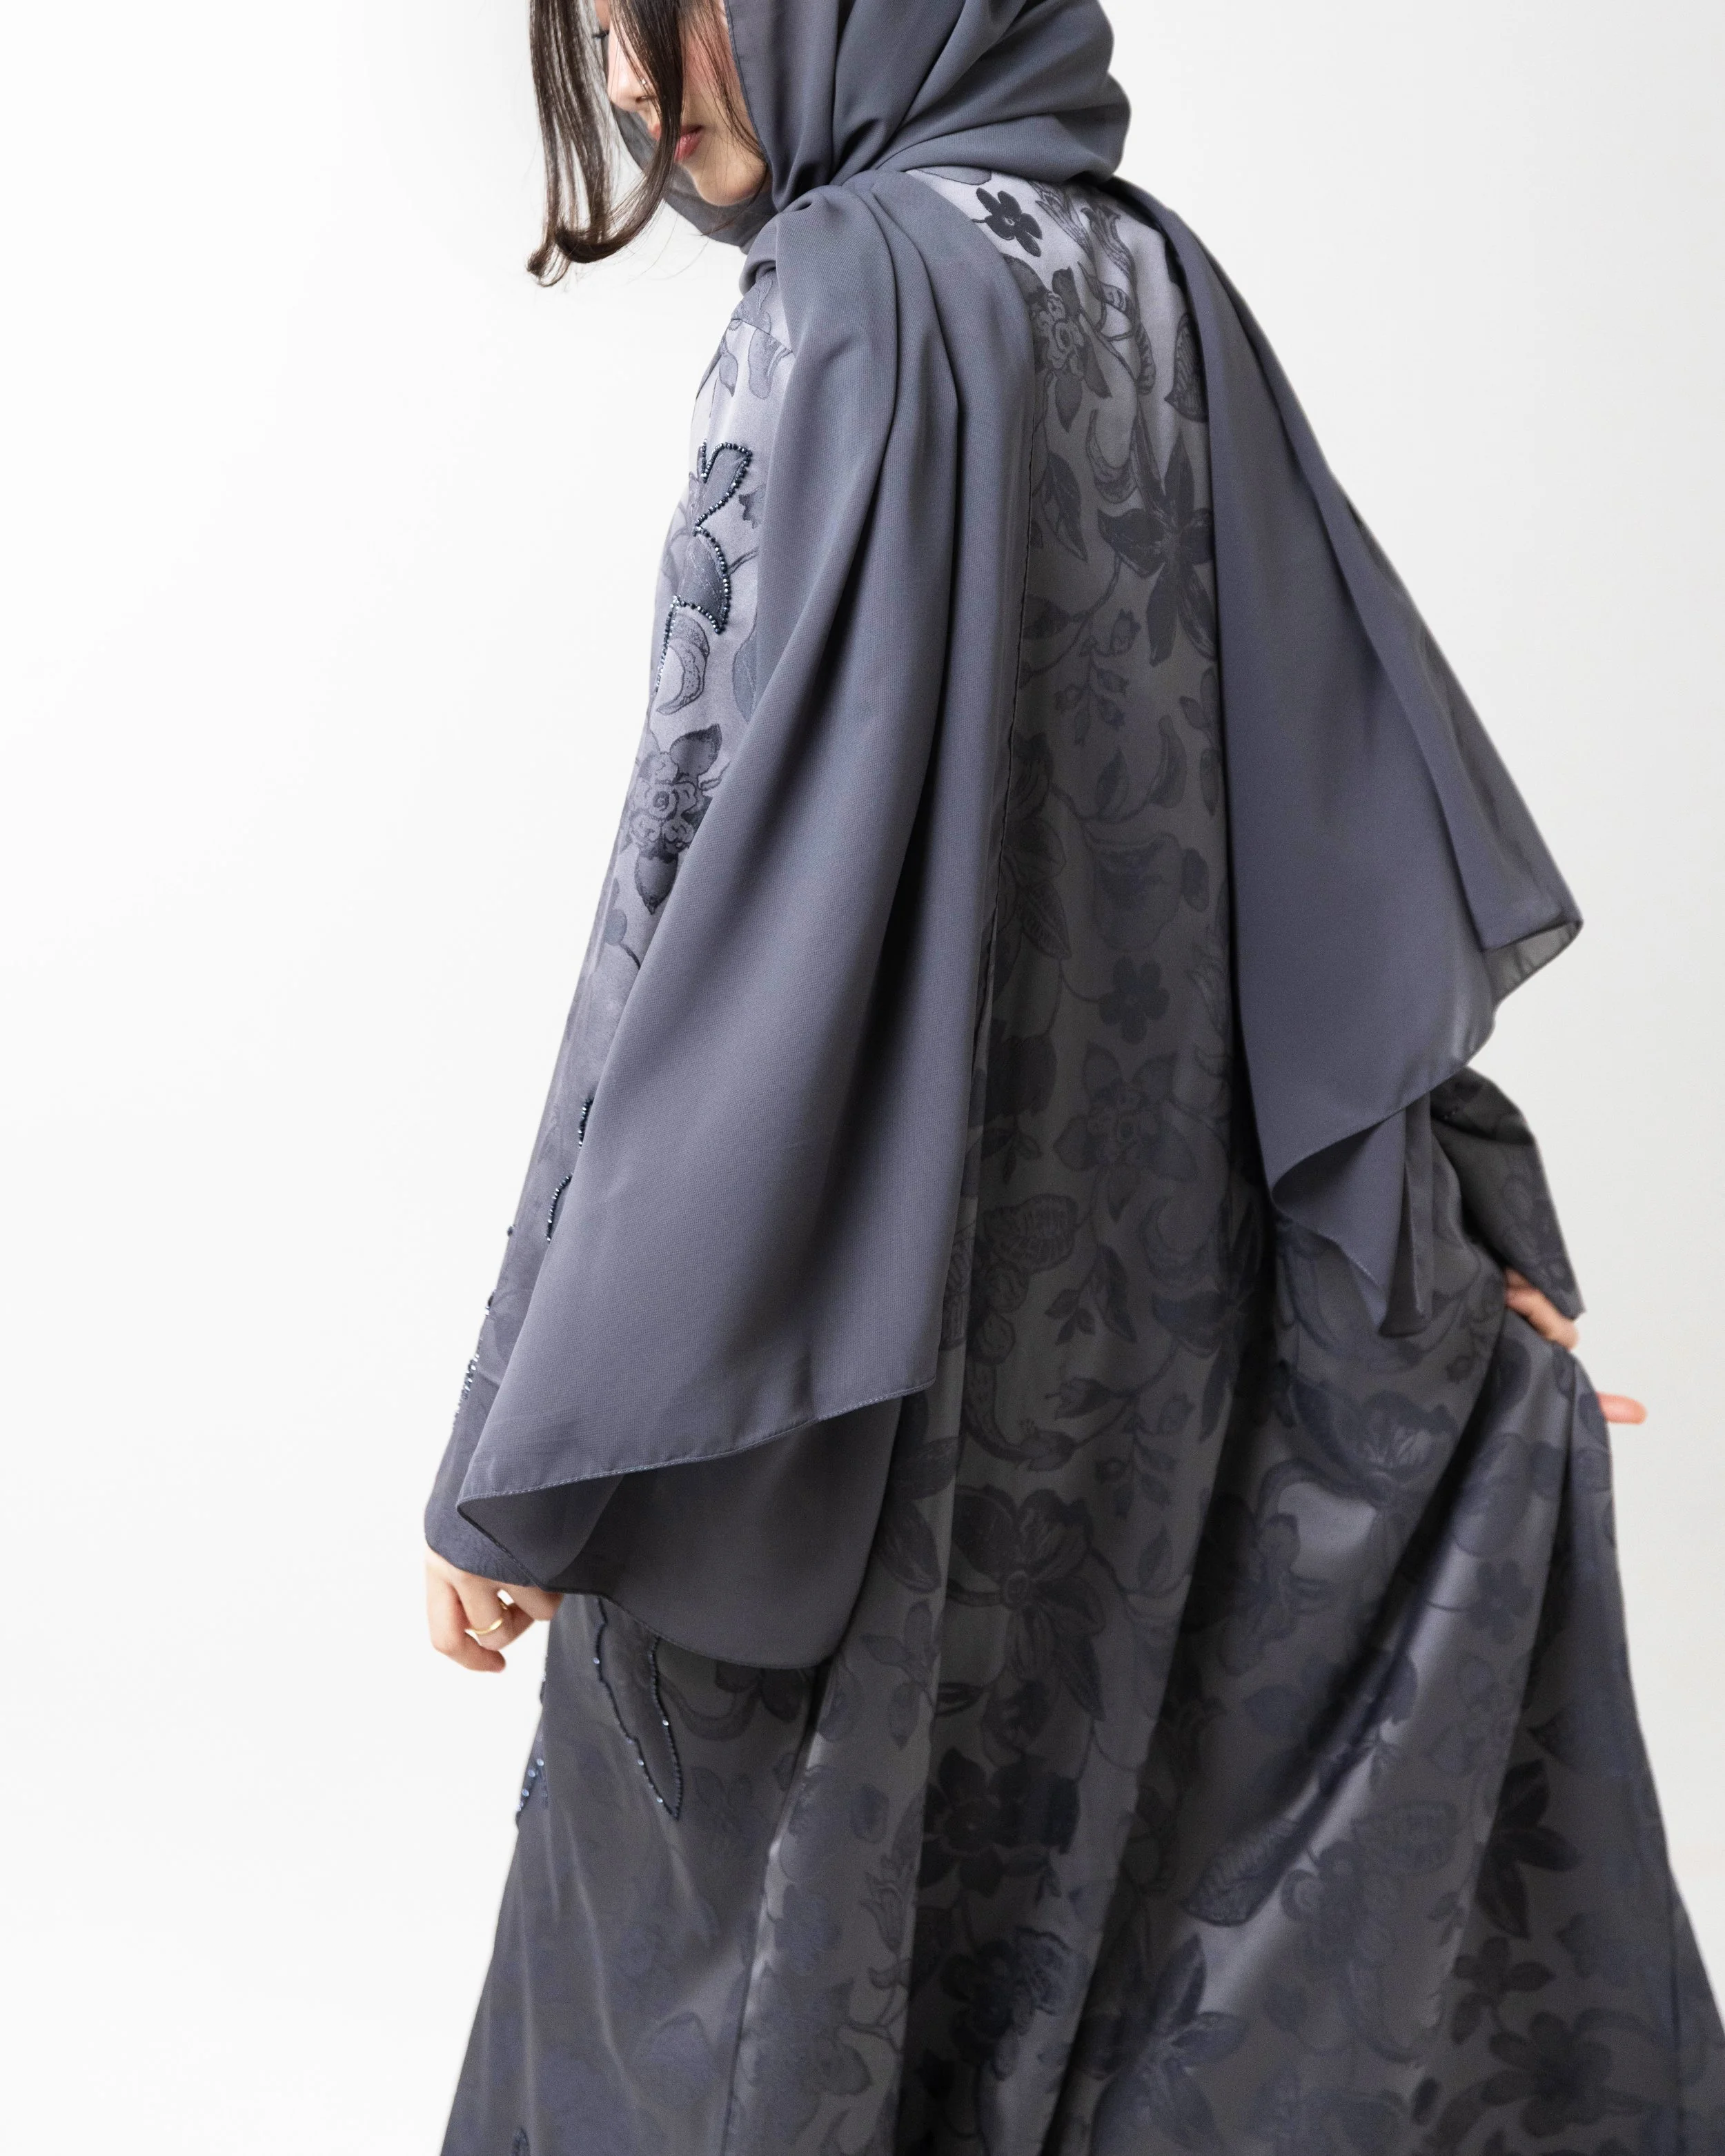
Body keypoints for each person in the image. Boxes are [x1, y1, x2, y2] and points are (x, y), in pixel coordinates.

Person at [421, 3, 1719, 2150]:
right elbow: (1317, 828)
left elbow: (688, 883)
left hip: (835, 1396)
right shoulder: (1152, 280)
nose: (635, 82)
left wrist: (521, 1416)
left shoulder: (843, 293)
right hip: (1133, 1416)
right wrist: (1450, 1225)